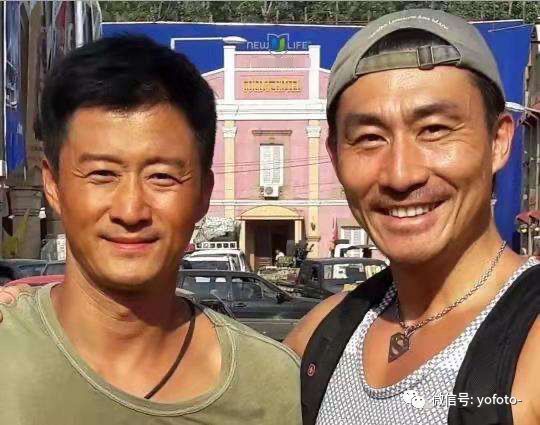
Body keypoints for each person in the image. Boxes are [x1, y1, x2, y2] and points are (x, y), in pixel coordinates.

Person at [0, 35, 301, 424]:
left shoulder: (271, 386)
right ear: (53, 185)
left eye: (162, 177)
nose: (131, 211)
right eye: (102, 174)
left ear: (203, 193)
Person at [284, 9, 539, 425]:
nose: (401, 175)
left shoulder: (530, 344)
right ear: (335, 156)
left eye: (435, 130)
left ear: (498, 141)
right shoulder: (320, 337)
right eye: (369, 138)